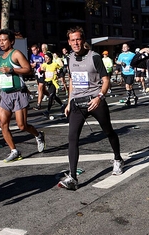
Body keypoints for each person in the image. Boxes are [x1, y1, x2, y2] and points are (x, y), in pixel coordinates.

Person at [60, 26, 124, 190]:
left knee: (108, 131)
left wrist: (99, 97)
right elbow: (73, 80)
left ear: (83, 40)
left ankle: (118, 158)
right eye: (72, 40)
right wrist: (69, 102)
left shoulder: (94, 57)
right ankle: (73, 177)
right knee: (72, 138)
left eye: (78, 39)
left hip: (95, 101)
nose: (76, 43)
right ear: (69, 42)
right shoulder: (69, 58)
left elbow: (106, 80)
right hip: (77, 103)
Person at [0, 29, 45, 162]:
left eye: (4, 40)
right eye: (0, 40)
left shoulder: (16, 54)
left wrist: (12, 69)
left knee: (22, 126)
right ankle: (14, 150)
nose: (2, 43)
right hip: (5, 94)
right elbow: (1, 75)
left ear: (11, 41)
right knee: (3, 123)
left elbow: (28, 69)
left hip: (18, 93)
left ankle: (38, 134)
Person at [40, 51, 65, 118]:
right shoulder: (44, 65)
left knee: (51, 96)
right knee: (53, 96)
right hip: (48, 83)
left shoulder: (54, 64)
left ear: (50, 58)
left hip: (54, 82)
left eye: (47, 57)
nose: (46, 59)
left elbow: (61, 68)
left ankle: (47, 111)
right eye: (45, 58)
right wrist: (41, 72)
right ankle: (62, 105)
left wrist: (58, 73)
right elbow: (42, 73)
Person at [30, 44, 47, 110]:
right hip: (36, 73)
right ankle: (52, 97)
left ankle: (38, 104)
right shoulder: (32, 56)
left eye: (34, 50)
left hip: (42, 73)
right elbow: (30, 64)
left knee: (40, 88)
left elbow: (46, 63)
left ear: (37, 49)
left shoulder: (42, 55)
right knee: (43, 90)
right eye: (32, 50)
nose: (33, 51)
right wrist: (32, 65)